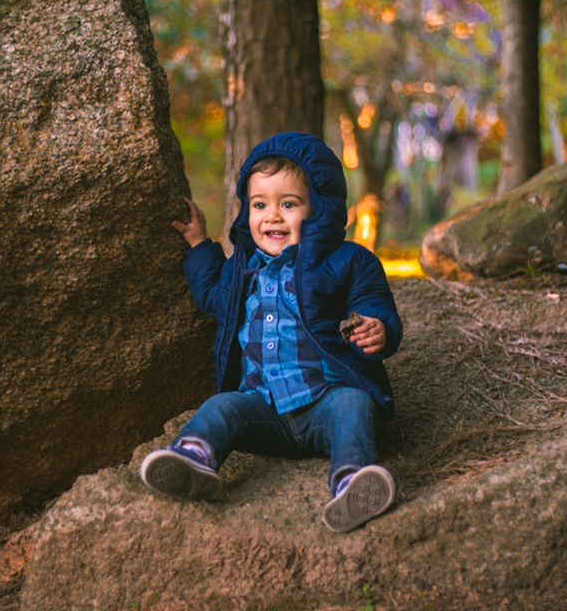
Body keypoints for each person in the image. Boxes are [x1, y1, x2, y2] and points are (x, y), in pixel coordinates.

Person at [140, 131, 403, 532]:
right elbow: (212, 294)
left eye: (290, 204)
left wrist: (377, 329)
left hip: (324, 405)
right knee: (222, 405)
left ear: (322, 209)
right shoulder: (243, 268)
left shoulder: (349, 260)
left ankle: (353, 479)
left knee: (354, 404)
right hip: (261, 412)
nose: (272, 216)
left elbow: (373, 303)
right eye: (260, 204)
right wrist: (198, 244)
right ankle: (195, 456)